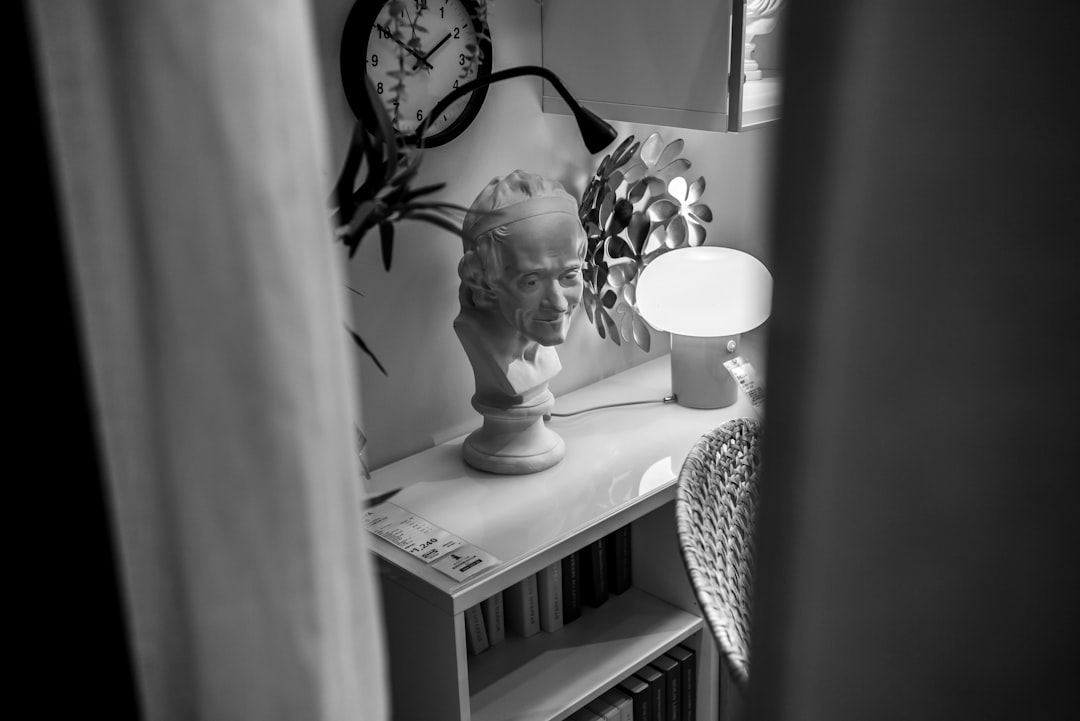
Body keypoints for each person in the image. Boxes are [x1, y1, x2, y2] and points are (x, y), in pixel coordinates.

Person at [454, 169, 586, 473]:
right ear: (485, 284)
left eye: (569, 276)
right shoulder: (481, 337)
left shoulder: (535, 330)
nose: (557, 302)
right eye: (531, 282)